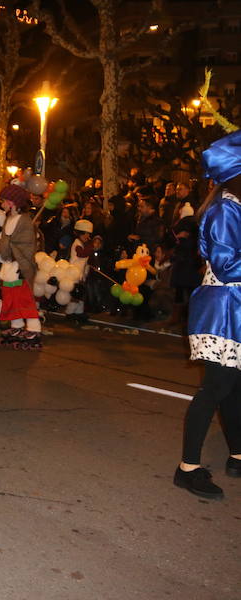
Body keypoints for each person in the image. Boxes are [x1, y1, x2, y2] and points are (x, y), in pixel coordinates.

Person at [174, 131, 241, 500]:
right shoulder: (224, 209)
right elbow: (228, 265)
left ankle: (237, 454)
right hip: (224, 309)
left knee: (234, 388)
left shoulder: (236, 206)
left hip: (237, 307)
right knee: (216, 388)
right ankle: (187, 468)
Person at [0, 184, 43, 349]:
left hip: (20, 267)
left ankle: (34, 328)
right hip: (8, 265)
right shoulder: (9, 219)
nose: (2, 204)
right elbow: (3, 242)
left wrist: (21, 264)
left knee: (24, 300)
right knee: (11, 298)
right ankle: (17, 326)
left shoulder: (24, 221)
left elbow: (28, 245)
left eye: (4, 201)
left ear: (13, 203)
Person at [64, 219, 94, 323]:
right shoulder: (77, 244)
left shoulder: (83, 243)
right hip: (74, 273)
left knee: (81, 294)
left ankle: (79, 312)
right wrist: (91, 246)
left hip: (81, 273)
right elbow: (82, 254)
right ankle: (70, 312)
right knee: (76, 295)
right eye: (86, 234)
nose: (87, 236)